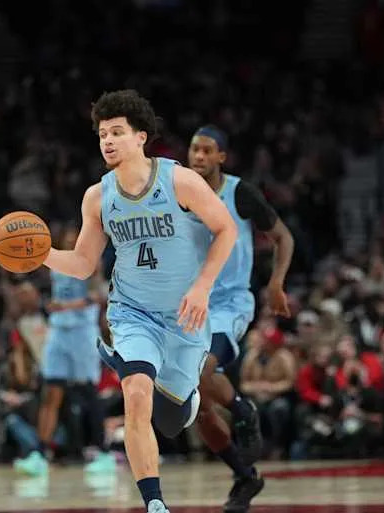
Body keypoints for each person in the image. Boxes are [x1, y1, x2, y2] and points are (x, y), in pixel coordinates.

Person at [41, 89, 237, 513]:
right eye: (102, 135)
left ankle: (184, 397)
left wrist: (203, 287)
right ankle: (155, 503)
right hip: (133, 312)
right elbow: (83, 263)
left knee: (171, 420)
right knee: (135, 395)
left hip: (184, 315)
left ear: (140, 137)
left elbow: (227, 230)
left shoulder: (179, 180)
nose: (107, 141)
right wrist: (41, 255)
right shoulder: (98, 197)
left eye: (116, 132)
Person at [186, 125, 294, 512]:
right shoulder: (177, 194)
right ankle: (245, 477)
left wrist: (276, 282)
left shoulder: (239, 193)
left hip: (229, 303)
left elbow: (283, 237)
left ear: (221, 157)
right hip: (189, 305)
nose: (198, 156)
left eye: (207, 150)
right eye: (194, 149)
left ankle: (243, 410)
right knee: (195, 406)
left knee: (202, 370)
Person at [14, 225, 115, 475]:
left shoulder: (92, 260)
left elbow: (98, 296)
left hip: (82, 331)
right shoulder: (56, 262)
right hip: (58, 330)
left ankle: (104, 453)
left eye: (75, 238)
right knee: (51, 391)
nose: (71, 241)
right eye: (68, 238)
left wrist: (67, 306)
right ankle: (39, 454)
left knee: (89, 391)